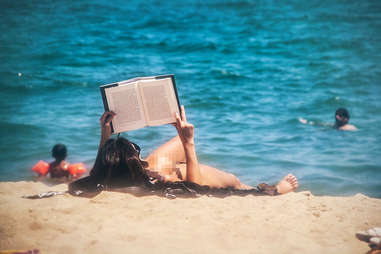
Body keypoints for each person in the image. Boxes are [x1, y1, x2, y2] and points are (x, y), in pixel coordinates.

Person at [69, 106, 298, 198]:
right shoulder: (159, 186)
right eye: (135, 152)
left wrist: (105, 135)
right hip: (165, 177)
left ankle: (179, 138)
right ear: (132, 165)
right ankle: (274, 190)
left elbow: (100, 168)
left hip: (148, 172)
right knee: (233, 181)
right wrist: (189, 144)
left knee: (173, 146)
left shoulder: (104, 174)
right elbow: (197, 188)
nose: (138, 155)